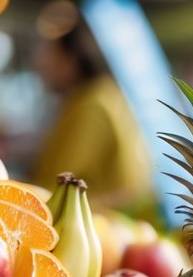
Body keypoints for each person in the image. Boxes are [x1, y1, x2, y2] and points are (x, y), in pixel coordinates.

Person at [32, 20, 154, 212]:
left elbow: (56, 182)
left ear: (71, 61)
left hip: (96, 220)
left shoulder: (90, 105)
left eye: (51, 55)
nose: (41, 65)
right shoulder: (106, 94)